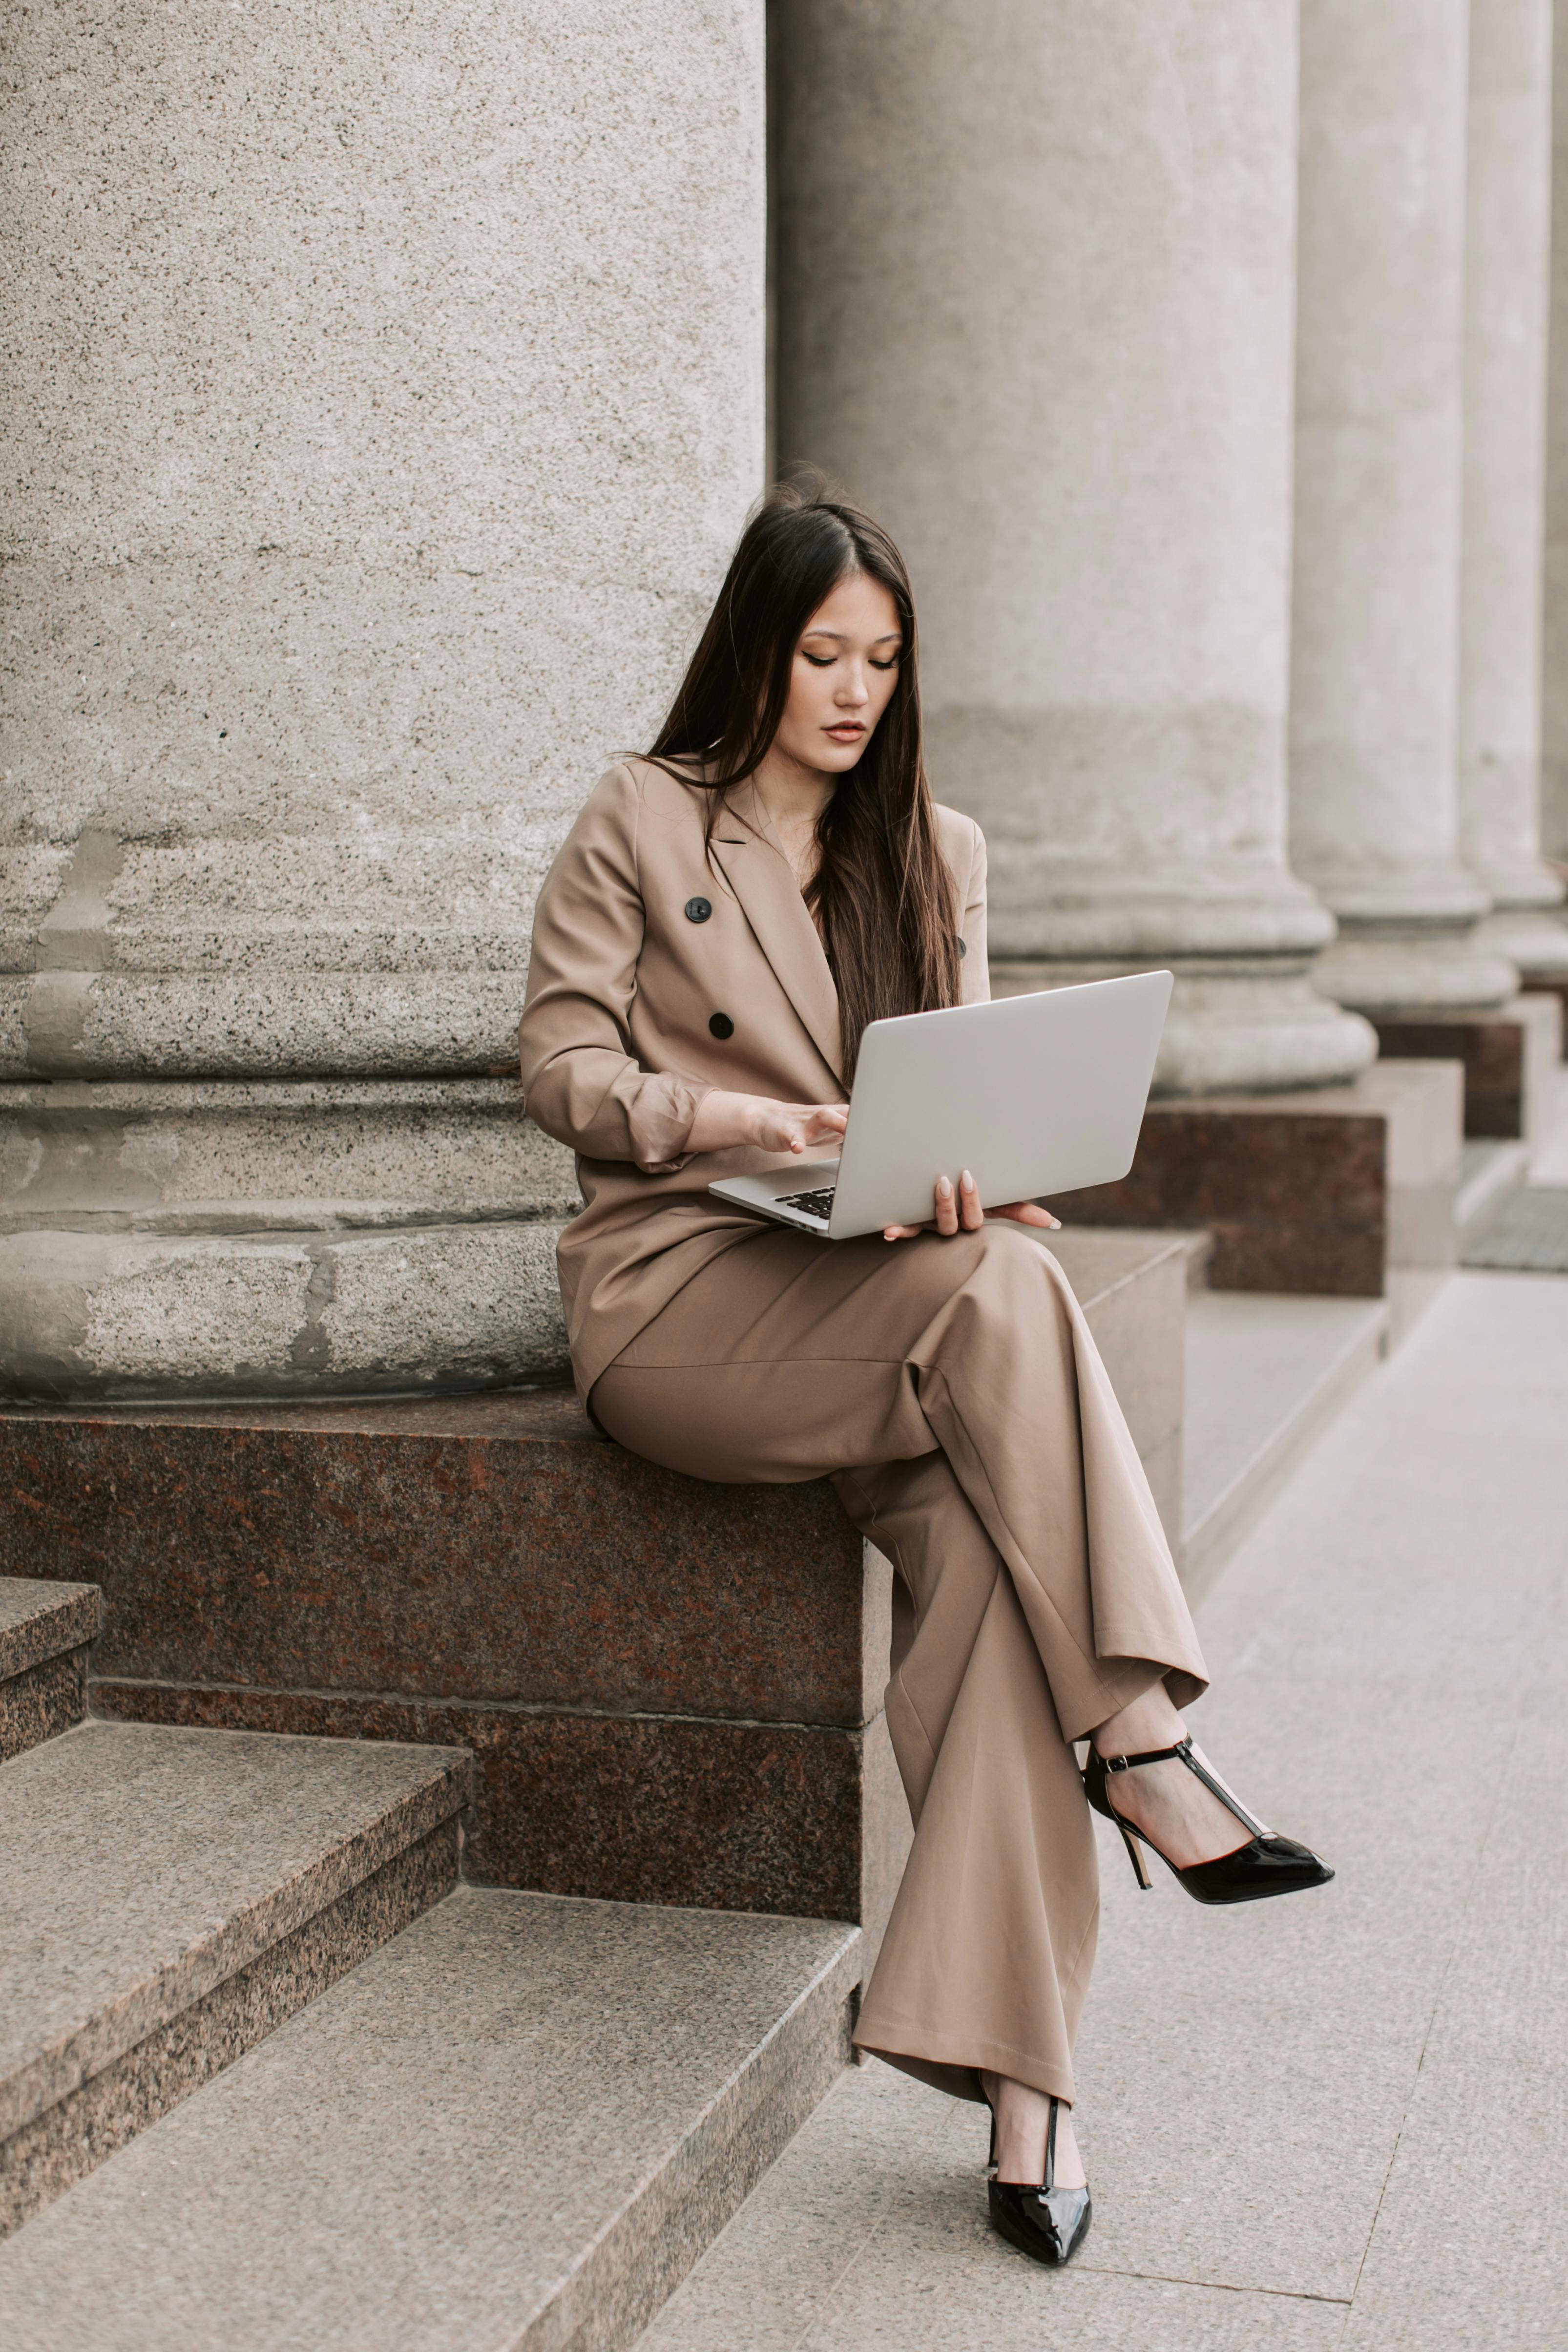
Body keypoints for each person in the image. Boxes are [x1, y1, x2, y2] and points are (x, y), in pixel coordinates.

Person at [517, 483, 1332, 2270]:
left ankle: (1026, 2089)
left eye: (882, 660)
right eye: (821, 653)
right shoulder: (645, 818)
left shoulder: (933, 852)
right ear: (755, 646)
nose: (853, 691)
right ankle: (1147, 1743)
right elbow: (560, 1066)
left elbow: (959, 1095)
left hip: (877, 1291)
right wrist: (743, 1119)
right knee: (1015, 1298)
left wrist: (960, 1166)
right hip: (679, 1294)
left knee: (991, 1560)